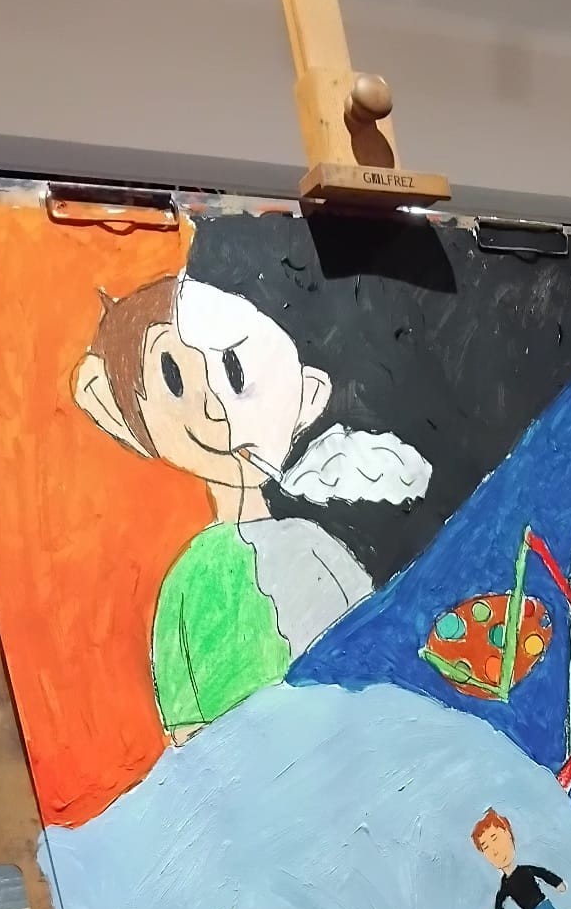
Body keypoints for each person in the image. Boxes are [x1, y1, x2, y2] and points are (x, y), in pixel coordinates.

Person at [73, 274, 427, 739]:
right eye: (174, 378)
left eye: (235, 373)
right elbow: (186, 730)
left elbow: (376, 638)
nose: (215, 408)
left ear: (307, 395)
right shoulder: (191, 580)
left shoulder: (312, 544)